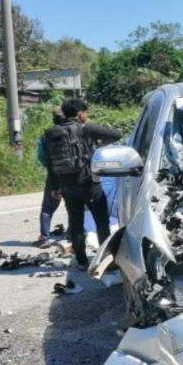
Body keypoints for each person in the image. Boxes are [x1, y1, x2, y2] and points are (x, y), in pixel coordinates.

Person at [43, 98, 121, 268]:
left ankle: (81, 261)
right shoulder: (86, 128)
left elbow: (50, 163)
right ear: (79, 113)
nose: (86, 115)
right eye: (85, 112)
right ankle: (106, 258)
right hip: (89, 183)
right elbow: (116, 135)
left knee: (76, 223)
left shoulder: (51, 133)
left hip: (66, 186)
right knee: (102, 221)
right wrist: (98, 143)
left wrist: (55, 187)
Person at [34, 109, 65, 248]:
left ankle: (44, 237)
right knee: (75, 206)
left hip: (53, 175)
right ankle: (73, 235)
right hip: (74, 176)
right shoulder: (76, 131)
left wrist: (49, 166)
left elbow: (41, 156)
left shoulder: (46, 135)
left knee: (47, 207)